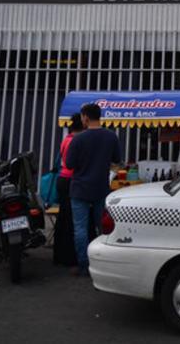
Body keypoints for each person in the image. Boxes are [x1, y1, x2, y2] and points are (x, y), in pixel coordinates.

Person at [65, 103, 122, 276]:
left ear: (86, 118)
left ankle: (84, 266)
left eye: (82, 117)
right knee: (102, 228)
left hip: (80, 189)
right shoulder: (111, 137)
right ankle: (101, 265)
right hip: (101, 189)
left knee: (80, 229)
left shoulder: (78, 139)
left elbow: (69, 164)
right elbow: (117, 160)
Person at [53, 114, 83, 267]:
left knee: (63, 217)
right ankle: (69, 256)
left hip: (62, 179)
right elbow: (74, 163)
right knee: (71, 219)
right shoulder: (76, 141)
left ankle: (58, 254)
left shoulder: (66, 139)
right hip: (71, 180)